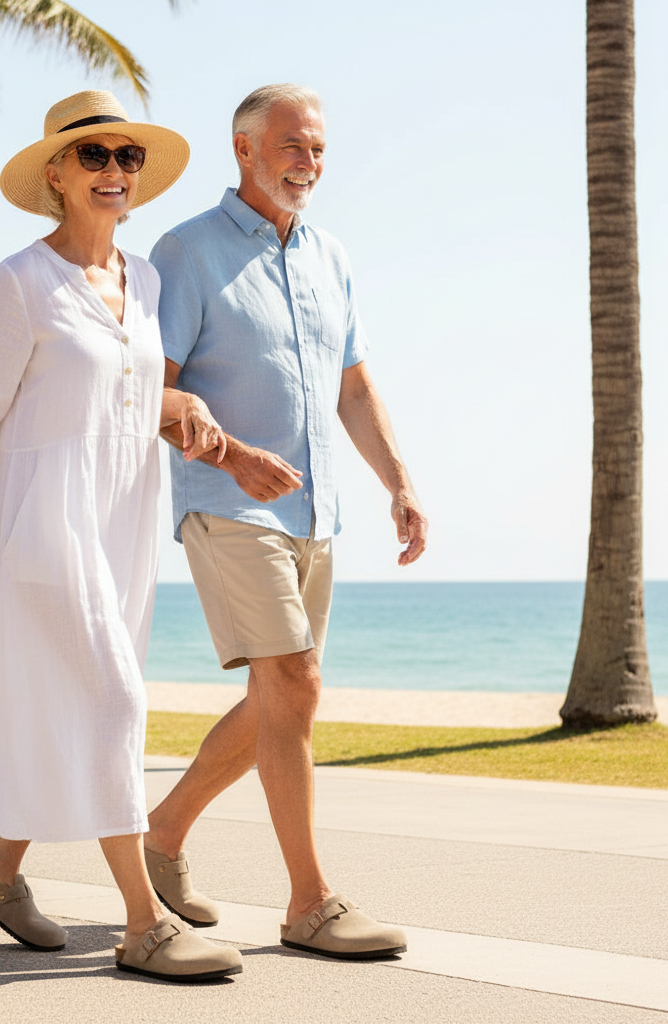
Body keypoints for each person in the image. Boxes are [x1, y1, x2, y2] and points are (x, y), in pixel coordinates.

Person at [0, 90, 242, 983]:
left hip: (121, 517)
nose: (113, 170)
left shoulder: (147, 282)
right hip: (44, 521)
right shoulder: (19, 281)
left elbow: (127, 398)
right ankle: (143, 924)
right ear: (56, 174)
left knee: (83, 702)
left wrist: (189, 406)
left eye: (126, 156)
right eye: (93, 155)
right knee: (114, 703)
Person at [145, 84, 429, 960]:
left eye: (318, 150)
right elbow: (148, 391)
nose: (309, 164)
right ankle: (309, 903)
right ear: (245, 149)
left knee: (281, 696)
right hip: (226, 502)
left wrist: (399, 483)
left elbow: (354, 385)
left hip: (317, 509)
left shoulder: (330, 256)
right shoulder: (186, 251)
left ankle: (162, 833)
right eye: (293, 147)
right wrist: (233, 457)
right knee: (296, 683)